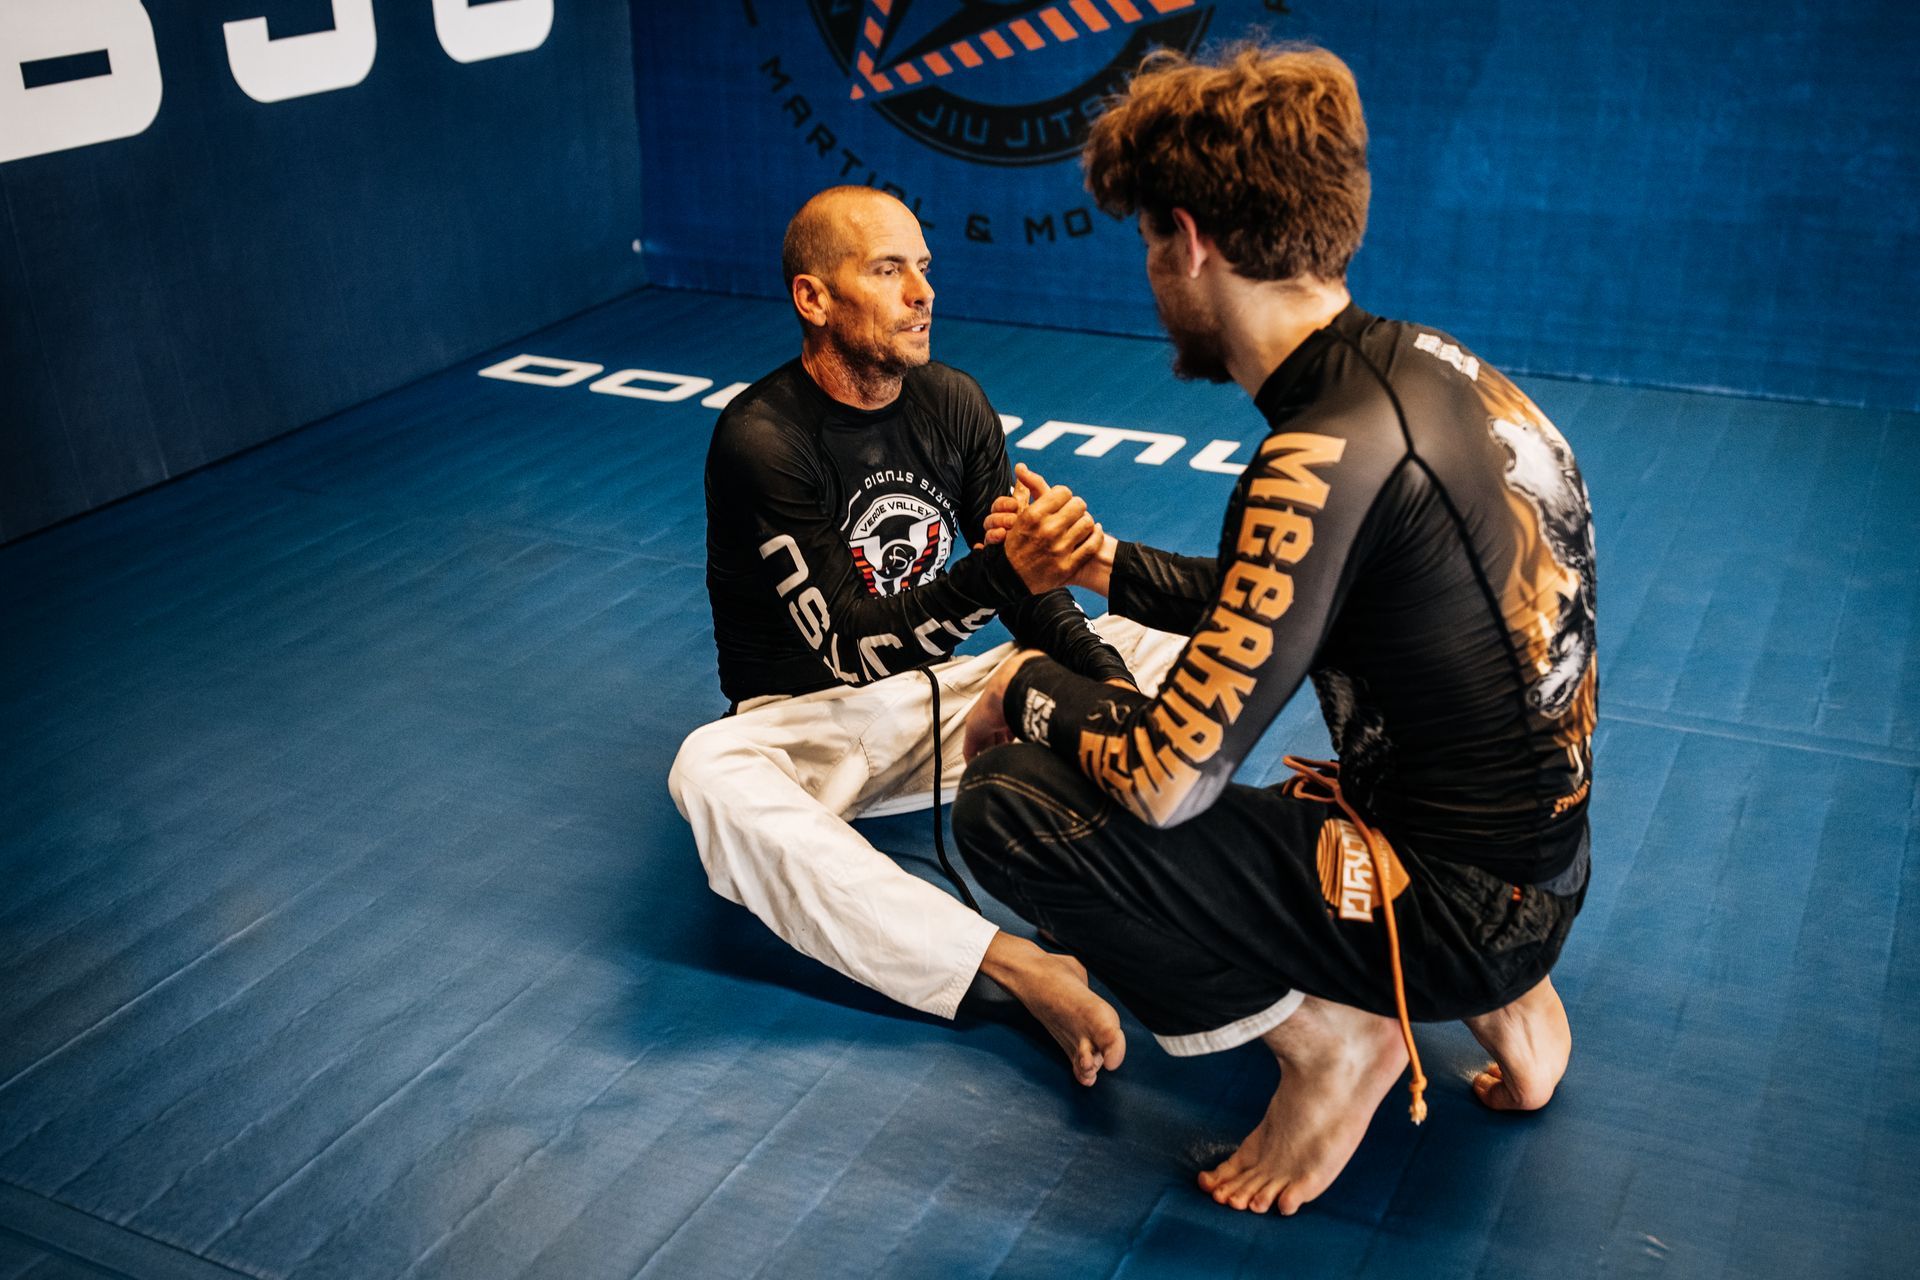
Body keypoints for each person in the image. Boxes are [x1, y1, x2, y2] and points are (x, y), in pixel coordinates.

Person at [953, 44, 1599, 1216]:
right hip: (1539, 874)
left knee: (1013, 808)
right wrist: (1100, 564)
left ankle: (1331, 1045)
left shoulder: (1316, 454)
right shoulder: (1439, 375)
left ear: (1189, 240)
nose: (1152, 273)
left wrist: (1032, 684)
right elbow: (1311, 591)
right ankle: (1518, 1002)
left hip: (1449, 909)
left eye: (1150, 242)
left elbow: (1166, 784)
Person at [668, 186, 1187, 1085]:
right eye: (887, 269)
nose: (922, 292)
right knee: (707, 774)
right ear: (814, 300)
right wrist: (1007, 574)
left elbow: (1031, 600)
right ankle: (1008, 963)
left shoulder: (952, 401)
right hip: (809, 736)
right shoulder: (761, 438)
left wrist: (1113, 689)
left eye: (924, 269)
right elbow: (849, 648)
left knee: (1162, 637)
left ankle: (1105, 844)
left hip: (943, 708)